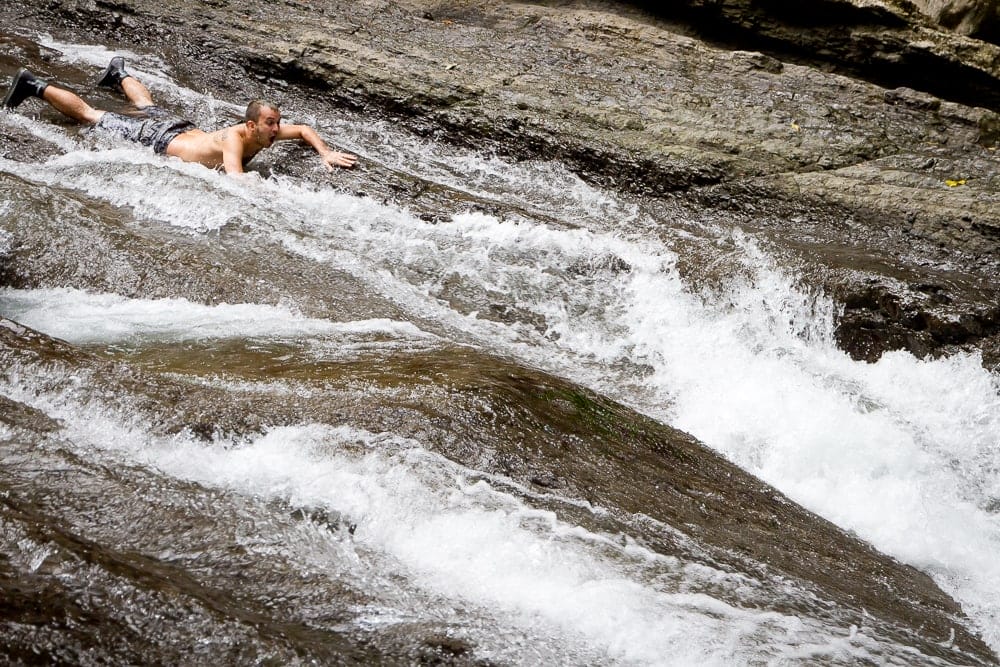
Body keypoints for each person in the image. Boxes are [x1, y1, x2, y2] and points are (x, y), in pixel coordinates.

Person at [2, 57, 357, 175]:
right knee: (92, 117)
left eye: (277, 123)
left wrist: (324, 152)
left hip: (180, 129)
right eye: (270, 123)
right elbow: (236, 177)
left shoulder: (268, 133)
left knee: (147, 106)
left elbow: (307, 129)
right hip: (160, 139)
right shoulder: (237, 137)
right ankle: (33, 85)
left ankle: (118, 74)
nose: (277, 129)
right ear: (252, 125)